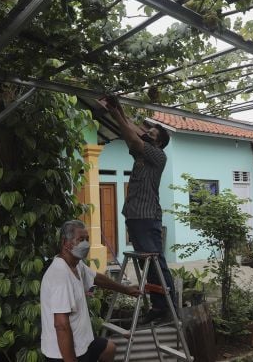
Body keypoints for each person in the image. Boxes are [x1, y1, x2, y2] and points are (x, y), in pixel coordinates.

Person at [102, 96, 174, 324]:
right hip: (135, 215)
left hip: (145, 215)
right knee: (147, 263)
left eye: (152, 135)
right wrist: (119, 110)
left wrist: (115, 115)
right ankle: (159, 304)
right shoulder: (143, 152)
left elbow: (134, 138)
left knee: (155, 262)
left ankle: (164, 304)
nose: (148, 134)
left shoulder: (157, 155)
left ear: (159, 143)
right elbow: (134, 132)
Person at [40, 220, 141, 362]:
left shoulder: (76, 264)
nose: (86, 244)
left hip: (82, 343)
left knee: (108, 349)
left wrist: (125, 289)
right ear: (65, 243)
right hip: (63, 353)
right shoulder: (60, 275)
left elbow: (96, 278)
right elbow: (61, 325)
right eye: (80, 240)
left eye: (87, 239)